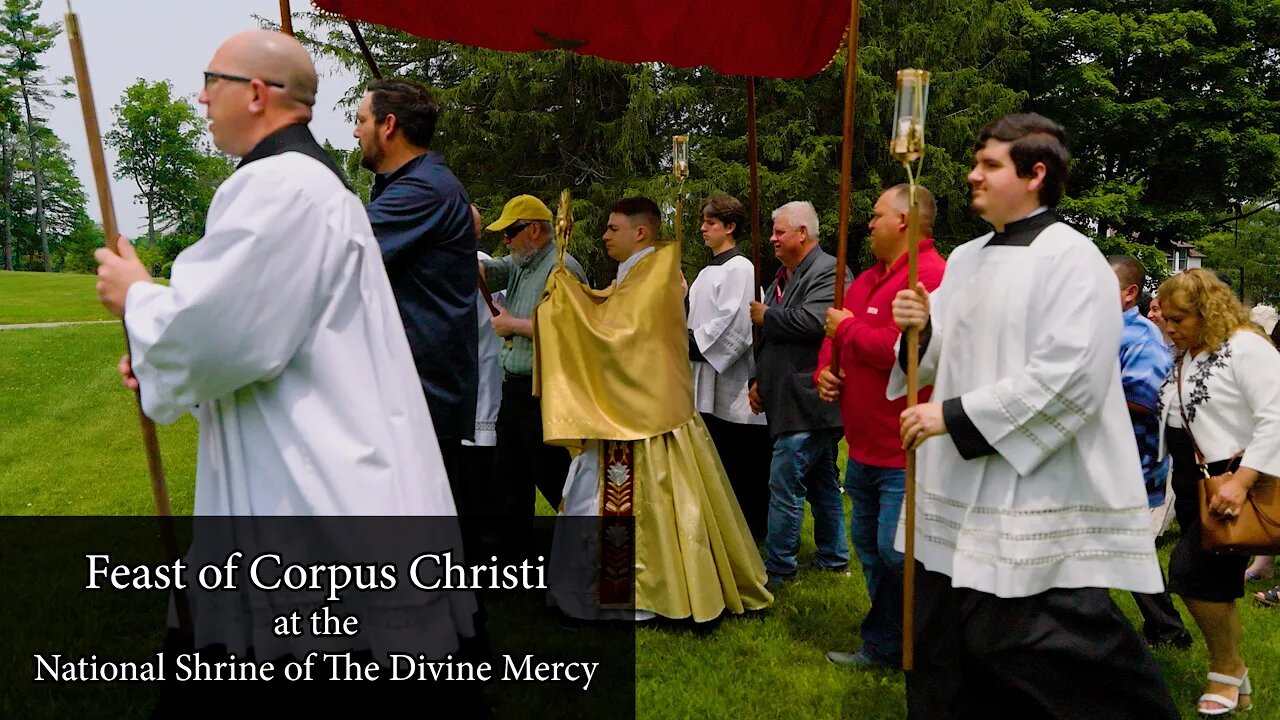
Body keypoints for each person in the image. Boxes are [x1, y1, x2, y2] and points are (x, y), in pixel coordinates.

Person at [93, 29, 482, 709]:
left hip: (313, 478)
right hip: (316, 447)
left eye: (211, 81)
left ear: (254, 93)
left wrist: (139, 297)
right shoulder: (302, 184)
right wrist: (165, 354)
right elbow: (259, 328)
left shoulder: (283, 186)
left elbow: (225, 335)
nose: (201, 97)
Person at [889, 113, 1177, 719]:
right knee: (943, 646)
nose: (973, 175)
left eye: (990, 164)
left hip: (1031, 485)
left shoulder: (1073, 260)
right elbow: (936, 356)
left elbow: (1071, 374)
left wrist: (954, 417)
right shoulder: (965, 258)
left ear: (1036, 173)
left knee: (1048, 647)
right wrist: (922, 325)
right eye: (977, 162)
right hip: (955, 484)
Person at [539, 196, 772, 622]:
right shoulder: (637, 273)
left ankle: (639, 592)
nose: (605, 235)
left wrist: (568, 308)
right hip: (630, 406)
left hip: (644, 413)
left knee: (644, 500)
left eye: (613, 228)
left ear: (639, 232)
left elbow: (618, 336)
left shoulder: (651, 274)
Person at [815, 184, 946, 669]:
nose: (868, 224)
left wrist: (846, 330)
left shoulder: (931, 277)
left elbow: (904, 352)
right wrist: (826, 370)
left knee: (900, 554)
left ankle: (928, 641)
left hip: (906, 448)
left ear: (905, 222)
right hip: (864, 444)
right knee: (870, 549)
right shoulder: (867, 278)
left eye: (875, 215)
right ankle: (890, 644)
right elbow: (834, 339)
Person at [1156, 268, 1280, 714]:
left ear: (1208, 311)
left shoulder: (1246, 348)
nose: (1169, 327)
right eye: (1165, 318)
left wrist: (1243, 481)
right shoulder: (1189, 352)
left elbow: (1277, 416)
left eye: (1179, 319)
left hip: (1237, 483)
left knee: (1189, 570)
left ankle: (1226, 669)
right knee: (1214, 582)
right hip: (1197, 483)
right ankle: (1234, 676)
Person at [355, 78, 479, 493]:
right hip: (412, 396)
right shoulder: (422, 185)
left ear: (388, 125)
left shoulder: (423, 190)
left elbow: (340, 246)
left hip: (420, 399)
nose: (356, 132)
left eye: (361, 120)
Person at [750, 201, 851, 588]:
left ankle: (779, 568)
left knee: (785, 482)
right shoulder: (783, 276)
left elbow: (817, 321)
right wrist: (758, 381)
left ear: (802, 234)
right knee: (822, 480)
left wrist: (768, 317)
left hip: (810, 399)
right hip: (790, 396)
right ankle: (833, 556)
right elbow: (771, 345)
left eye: (779, 232)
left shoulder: (830, 272)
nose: (773, 238)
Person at [479, 195, 587, 548]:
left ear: (536, 230)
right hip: (516, 389)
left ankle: (588, 544)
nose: (506, 240)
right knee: (508, 477)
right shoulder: (520, 263)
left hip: (544, 391)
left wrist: (512, 324)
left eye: (512, 232)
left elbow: (570, 329)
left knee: (554, 475)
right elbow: (485, 268)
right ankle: (515, 555)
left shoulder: (561, 268)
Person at [1109, 255, 1193, 650]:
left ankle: (1167, 629)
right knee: (1120, 546)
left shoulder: (1140, 338)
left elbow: (1146, 400)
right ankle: (1165, 628)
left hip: (1131, 461)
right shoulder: (1100, 330)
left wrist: (1086, 397)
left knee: (1122, 545)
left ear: (1129, 292)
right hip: (1103, 460)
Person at [686, 193, 771, 540]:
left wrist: (690, 344)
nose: (703, 228)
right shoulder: (706, 272)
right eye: (703, 222)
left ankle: (753, 533)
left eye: (711, 223)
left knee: (742, 464)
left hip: (734, 385)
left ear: (731, 227)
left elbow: (735, 324)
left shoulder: (742, 269)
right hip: (705, 379)